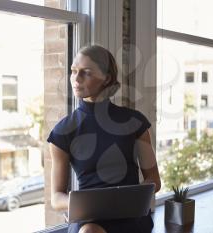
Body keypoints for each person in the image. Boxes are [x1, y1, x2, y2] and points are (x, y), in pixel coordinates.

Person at [47, 45, 161, 233]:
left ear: (106, 78)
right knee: (89, 231)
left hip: (130, 215)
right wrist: (78, 206)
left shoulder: (135, 122)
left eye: (86, 73)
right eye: (74, 71)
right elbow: (56, 197)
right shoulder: (62, 132)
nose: (76, 78)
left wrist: (130, 201)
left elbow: (154, 179)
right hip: (87, 219)